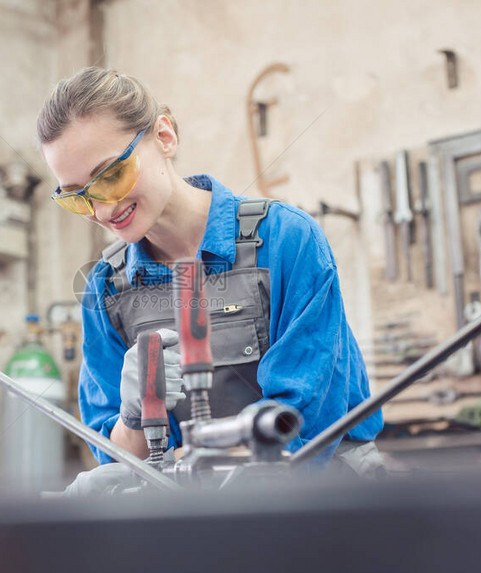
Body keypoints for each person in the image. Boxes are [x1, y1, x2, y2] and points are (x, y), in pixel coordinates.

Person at [36, 67, 383, 477]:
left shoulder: (285, 239)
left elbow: (302, 422)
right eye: (78, 198)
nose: (104, 210)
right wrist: (133, 417)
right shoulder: (107, 288)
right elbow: (115, 462)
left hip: (323, 495)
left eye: (110, 176)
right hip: (192, 504)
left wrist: (193, 465)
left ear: (163, 137)